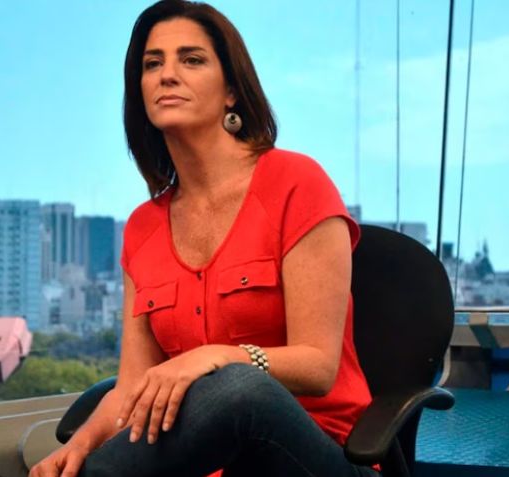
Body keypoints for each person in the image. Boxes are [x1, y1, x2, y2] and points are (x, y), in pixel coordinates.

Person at [30, 1, 377, 476]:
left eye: (191, 60)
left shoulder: (297, 183)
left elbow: (318, 367)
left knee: (238, 388)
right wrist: (80, 445)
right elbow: (132, 386)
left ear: (231, 91)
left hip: (319, 455)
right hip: (208, 464)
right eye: (153, 64)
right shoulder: (142, 227)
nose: (168, 75)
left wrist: (216, 357)